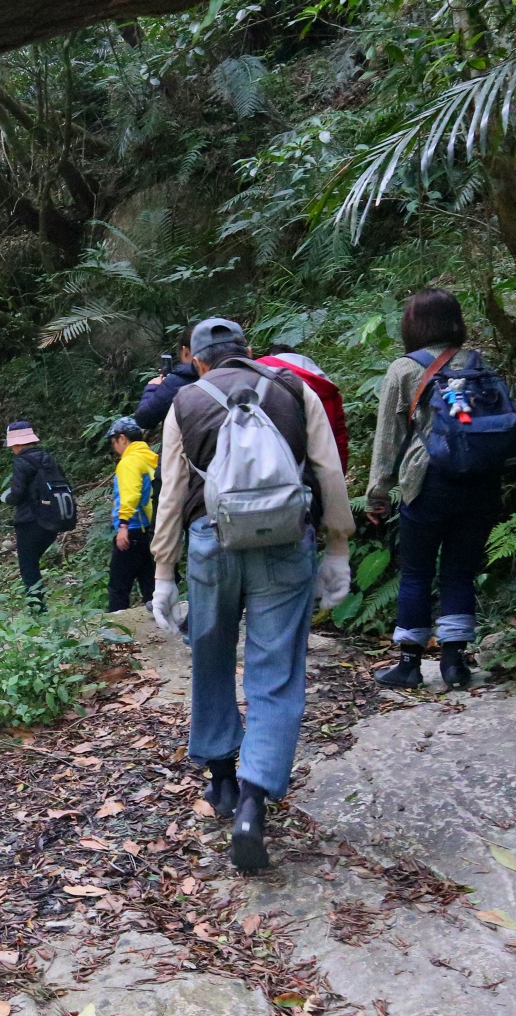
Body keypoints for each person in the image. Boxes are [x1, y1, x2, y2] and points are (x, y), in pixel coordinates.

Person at [150, 317, 353, 872]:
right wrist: (338, 548)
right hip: (287, 542)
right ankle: (252, 801)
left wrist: (164, 572)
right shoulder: (293, 389)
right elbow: (328, 473)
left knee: (211, 654)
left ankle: (219, 777)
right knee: (277, 668)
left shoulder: (185, 403)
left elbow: (171, 494)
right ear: (250, 351)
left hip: (212, 542)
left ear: (196, 358)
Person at [366, 290, 504, 690]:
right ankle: (455, 664)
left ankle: (409, 664)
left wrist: (378, 494)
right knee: (460, 570)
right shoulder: (481, 364)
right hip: (480, 480)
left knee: (416, 571)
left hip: (426, 481)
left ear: (412, 325)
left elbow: (387, 440)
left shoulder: (405, 369)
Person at [1, 421, 69, 610]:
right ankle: (39, 605)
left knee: (28, 566)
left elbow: (17, 494)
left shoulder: (22, 462)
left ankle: (37, 608)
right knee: (34, 562)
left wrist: (6, 498)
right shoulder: (48, 459)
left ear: (16, 443)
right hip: (52, 520)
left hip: (30, 521)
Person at [260, 344, 349, 472]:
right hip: (324, 463)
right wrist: (340, 473)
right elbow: (339, 437)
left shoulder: (265, 375)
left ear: (271, 356)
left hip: (284, 466)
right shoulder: (326, 386)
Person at [106, 416, 157, 612]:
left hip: (132, 529)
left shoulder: (129, 462)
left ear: (122, 439)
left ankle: (116, 635)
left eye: (114, 442)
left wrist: (123, 526)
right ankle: (161, 628)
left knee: (118, 587)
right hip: (150, 530)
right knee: (150, 585)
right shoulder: (149, 457)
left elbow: (130, 495)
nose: (114, 447)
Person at [133, 329, 200, 432]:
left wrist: (152, 387)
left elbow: (143, 418)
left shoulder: (176, 382)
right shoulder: (226, 372)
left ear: (185, 351)